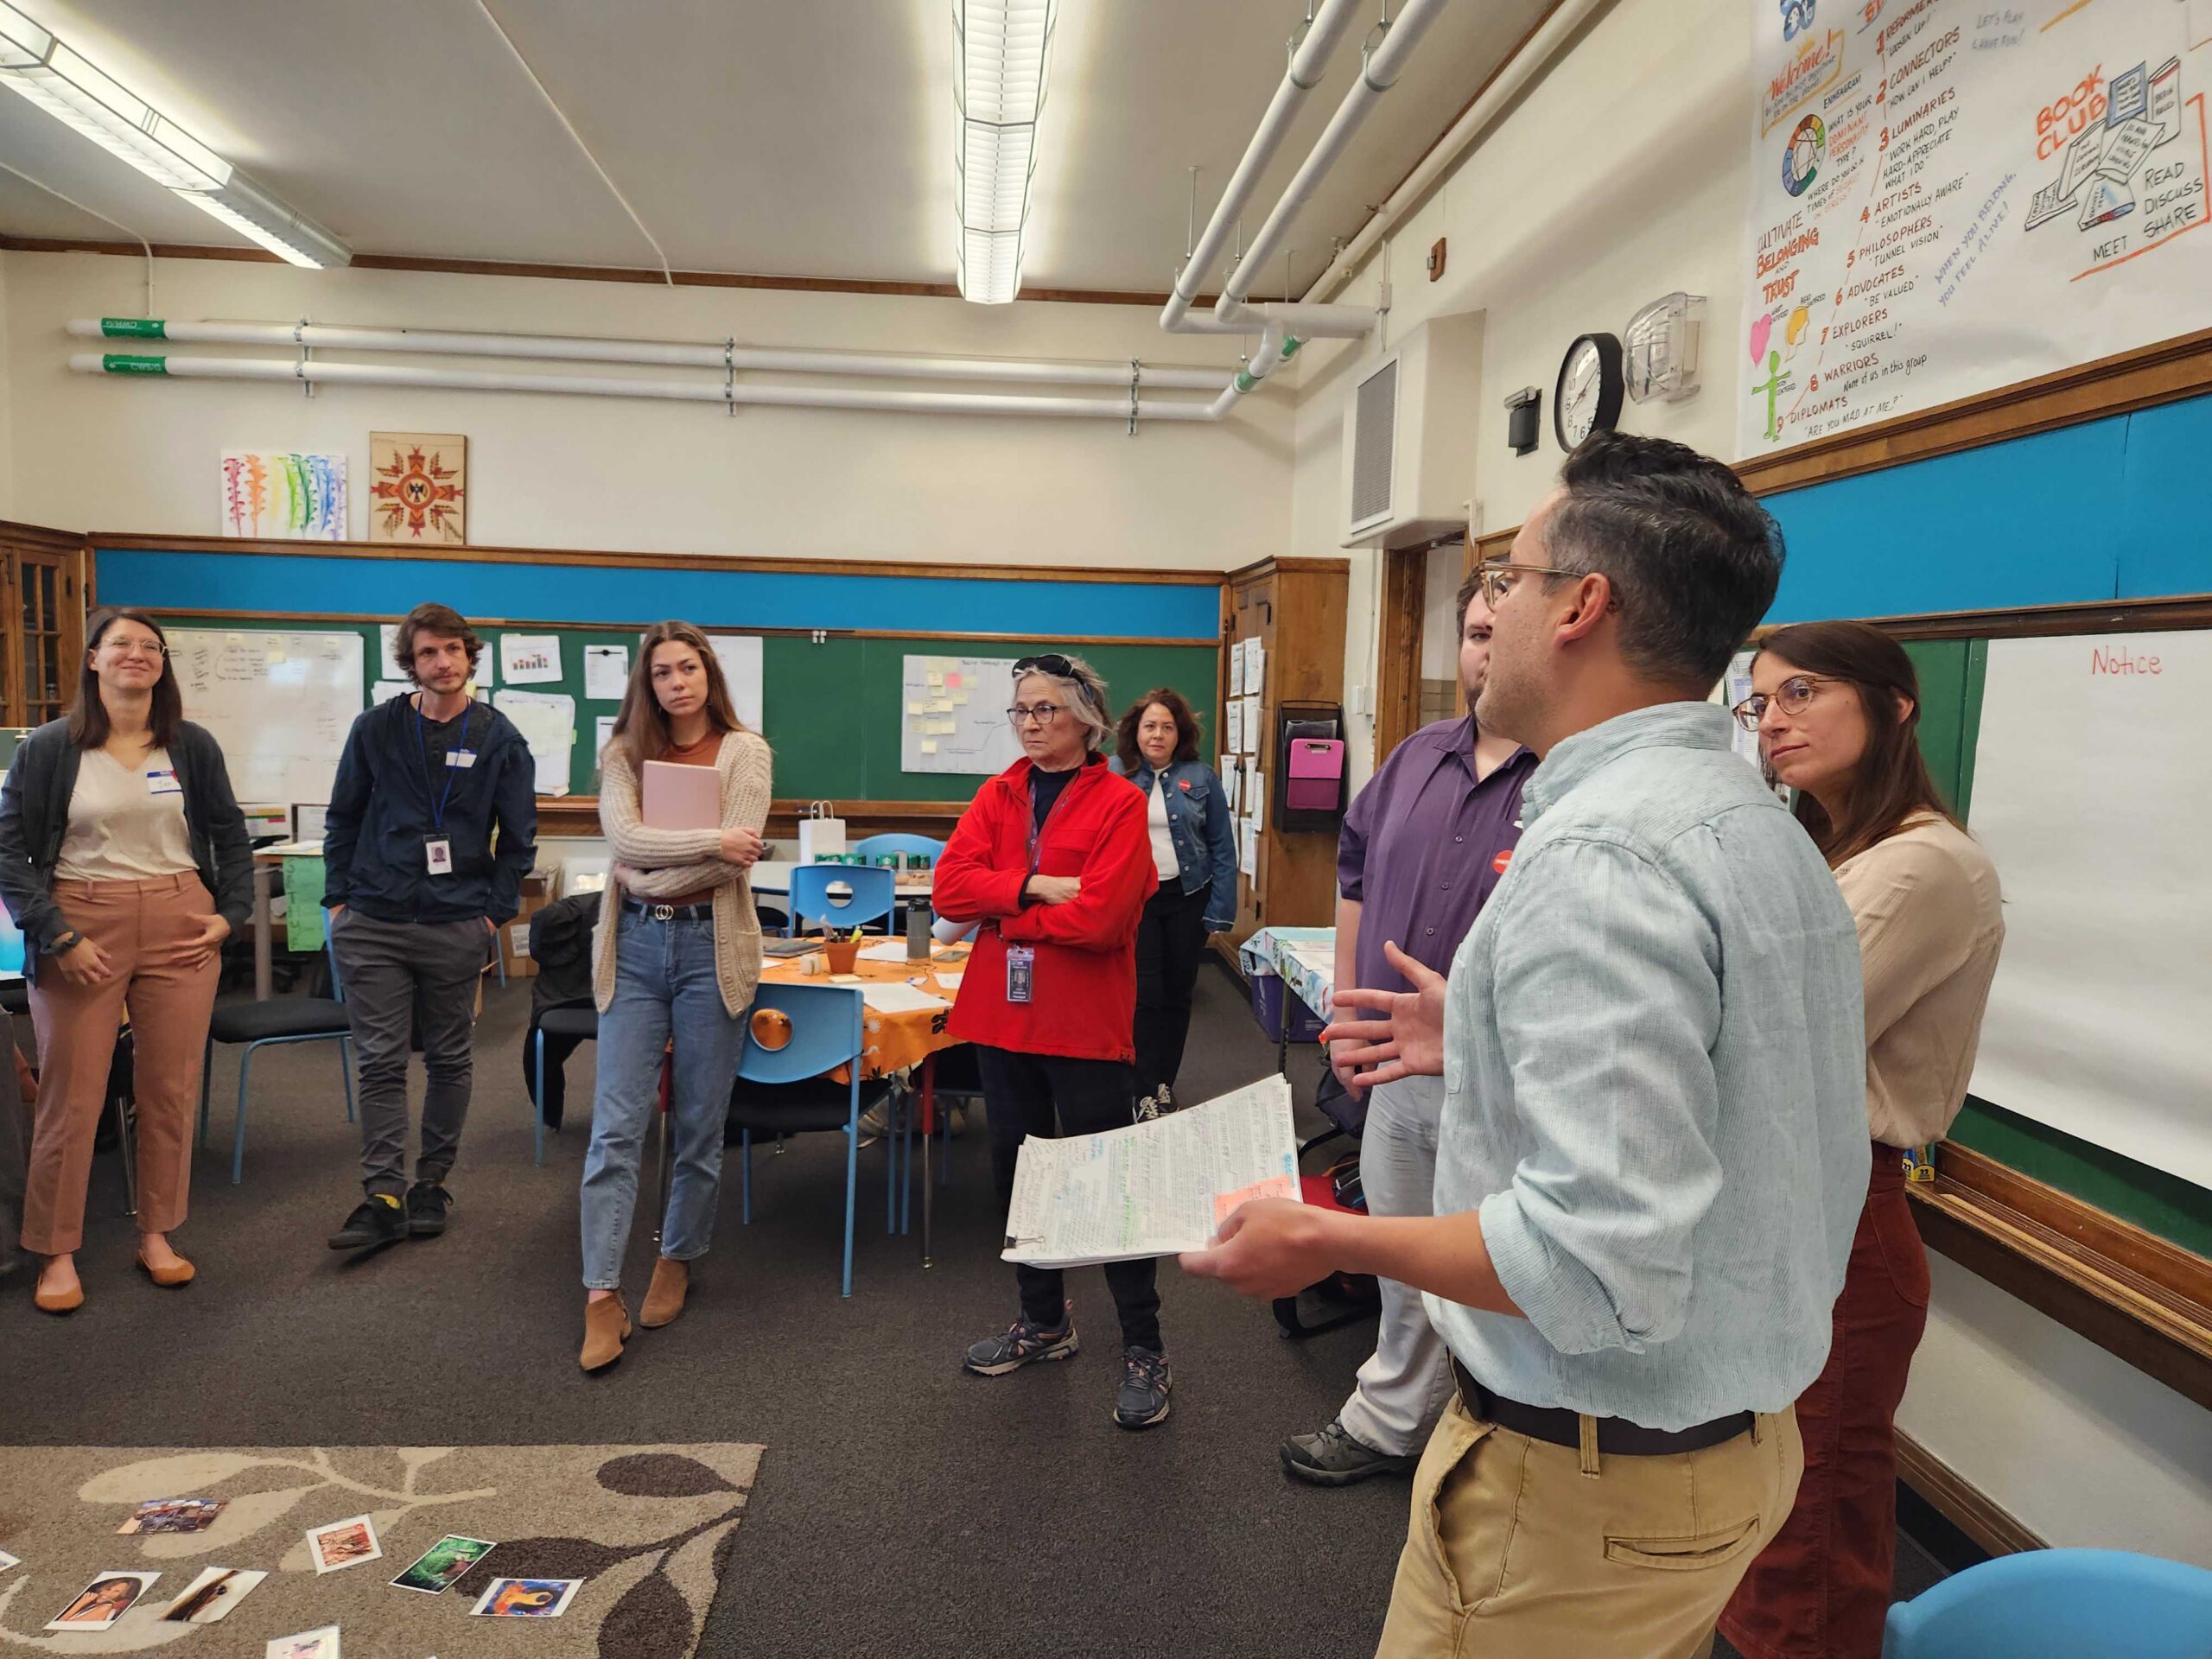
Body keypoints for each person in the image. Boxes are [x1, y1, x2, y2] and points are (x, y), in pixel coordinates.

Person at [1184, 432, 1870, 1658]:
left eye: (1507, 577)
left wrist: (1327, 1238)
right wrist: (1486, 1038)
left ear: (1582, 607)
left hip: (1585, 1484)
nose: (1486, 610)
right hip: (1717, 1445)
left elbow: (1598, 1268)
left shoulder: (1602, 859)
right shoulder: (1749, 820)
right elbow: (1736, 1090)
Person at [1719, 621, 2005, 1659]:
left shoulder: (1922, 865)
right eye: (1758, 704)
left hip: (1843, 1217)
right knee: (1767, 1506)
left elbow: (1763, 1036)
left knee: (1811, 1522)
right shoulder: (1833, 851)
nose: (1773, 722)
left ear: (1893, 706)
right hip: (1790, 1203)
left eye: (1802, 694)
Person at [1281, 576, 1536, 1487]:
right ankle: (1390, 1419)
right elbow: (1351, 879)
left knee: (1499, 1275)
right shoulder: (1414, 758)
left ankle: (1494, 1440)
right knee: (1399, 1259)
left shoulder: (1572, 779)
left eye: (1505, 632)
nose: (1487, 651)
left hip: (1507, 1088)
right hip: (1394, 1071)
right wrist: (1347, 1009)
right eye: (1473, 633)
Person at [934, 652, 1164, 1427]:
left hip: (1085, 1024)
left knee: (1108, 1185)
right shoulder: (997, 793)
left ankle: (1146, 1347)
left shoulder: (1122, 804)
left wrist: (1003, 916)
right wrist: (1033, 887)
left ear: (1086, 718)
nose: (1031, 724)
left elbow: (1100, 921)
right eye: (1021, 710)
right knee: (1021, 1176)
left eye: (1046, 710)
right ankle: (1044, 1323)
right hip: (1004, 1019)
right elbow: (948, 890)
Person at [0, 607, 252, 1314]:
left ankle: (157, 1234)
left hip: (181, 922)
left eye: (151, 647)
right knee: (70, 1098)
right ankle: (56, 1250)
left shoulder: (191, 746)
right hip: (82, 921)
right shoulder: (50, 748)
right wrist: (57, 934)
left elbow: (230, 836)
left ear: (162, 665)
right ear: (93, 660)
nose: (137, 655)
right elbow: (8, 851)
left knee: (168, 1091)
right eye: (121, 644)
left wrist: (230, 915)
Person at [578, 621, 771, 1373]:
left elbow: (739, 854)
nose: (676, 682)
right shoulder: (624, 751)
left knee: (697, 1122)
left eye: (688, 668)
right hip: (633, 951)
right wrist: (701, 845)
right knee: (615, 1130)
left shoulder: (745, 751)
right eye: (662, 672)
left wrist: (646, 870)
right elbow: (623, 836)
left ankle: (678, 1256)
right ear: (647, 682)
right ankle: (600, 1293)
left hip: (708, 951)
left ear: (708, 674)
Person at [322, 603, 537, 1252]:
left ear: (470, 655)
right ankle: (381, 1194)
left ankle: (431, 1183)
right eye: (427, 654)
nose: (442, 663)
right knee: (382, 1062)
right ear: (409, 665)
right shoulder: (376, 729)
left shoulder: (500, 738)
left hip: (455, 922)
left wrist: (491, 918)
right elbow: (344, 817)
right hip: (374, 918)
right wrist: (339, 902)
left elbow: (519, 840)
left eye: (452, 650)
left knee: (448, 1058)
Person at [1109, 687, 1235, 1118]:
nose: (1158, 735)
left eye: (1167, 726)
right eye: (1150, 726)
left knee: (1179, 995)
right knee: (1145, 995)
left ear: (1179, 733)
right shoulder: (1114, 775)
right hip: (1136, 901)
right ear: (1136, 732)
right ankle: (1141, 1088)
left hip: (1188, 899)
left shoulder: (1201, 777)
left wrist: (1220, 911)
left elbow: (1222, 846)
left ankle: (1164, 1084)